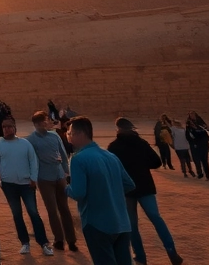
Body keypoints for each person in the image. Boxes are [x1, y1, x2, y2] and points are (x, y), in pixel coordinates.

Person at [107, 119, 183, 265]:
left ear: (118, 129)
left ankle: (140, 257)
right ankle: (171, 250)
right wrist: (141, 165)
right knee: (156, 218)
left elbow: (112, 169)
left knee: (132, 225)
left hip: (127, 190)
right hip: (145, 185)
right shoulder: (141, 143)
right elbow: (156, 162)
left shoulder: (114, 147)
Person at [66, 117, 134, 265]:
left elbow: (78, 193)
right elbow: (129, 184)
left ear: (79, 134)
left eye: (70, 133)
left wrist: (65, 187)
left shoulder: (78, 159)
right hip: (121, 222)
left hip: (96, 223)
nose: (68, 137)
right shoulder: (111, 156)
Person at [0, 118, 51, 256]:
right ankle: (25, 243)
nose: (6, 129)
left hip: (26, 184)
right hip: (8, 185)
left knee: (33, 213)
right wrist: (1, 180)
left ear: (15, 128)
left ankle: (44, 243)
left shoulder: (25, 143)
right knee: (17, 214)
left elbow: (33, 161)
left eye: (9, 126)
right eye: (4, 127)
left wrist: (33, 179)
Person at [26, 112, 77, 252]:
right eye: (46, 121)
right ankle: (59, 239)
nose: (49, 123)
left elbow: (62, 153)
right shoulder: (31, 140)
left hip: (59, 175)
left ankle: (71, 240)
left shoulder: (54, 136)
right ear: (38, 123)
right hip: (44, 178)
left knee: (65, 209)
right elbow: (31, 160)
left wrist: (66, 172)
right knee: (52, 210)